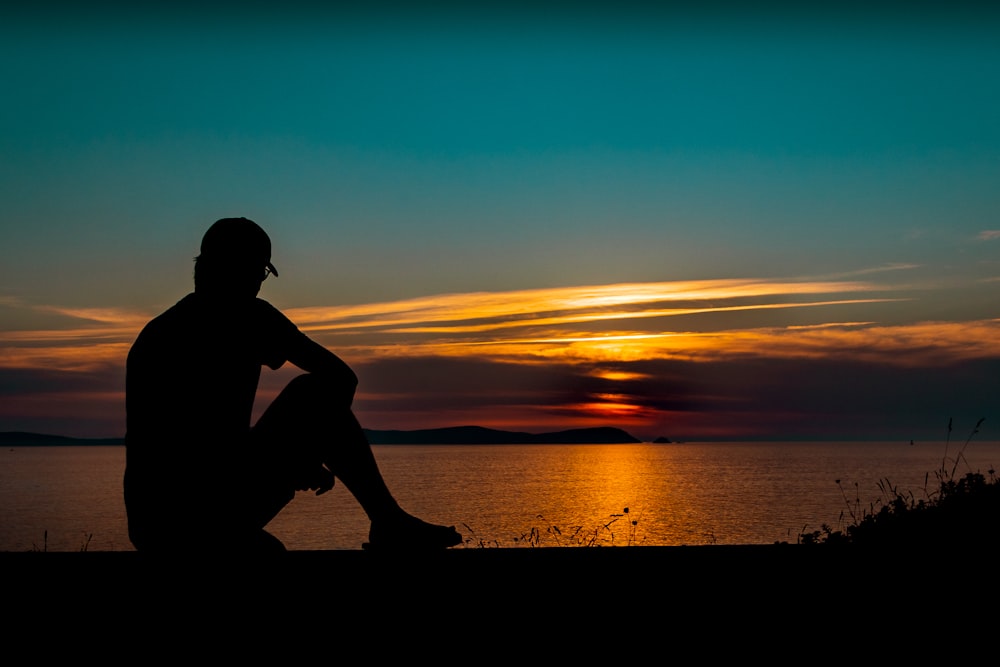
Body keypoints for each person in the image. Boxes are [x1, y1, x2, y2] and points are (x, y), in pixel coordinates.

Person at [123, 217, 462, 552]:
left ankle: (388, 522)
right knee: (313, 392)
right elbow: (340, 379)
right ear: (239, 268)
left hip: (152, 523)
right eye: (259, 272)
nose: (259, 282)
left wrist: (300, 457)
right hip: (199, 509)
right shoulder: (252, 317)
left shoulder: (159, 332)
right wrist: (303, 458)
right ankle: (388, 520)